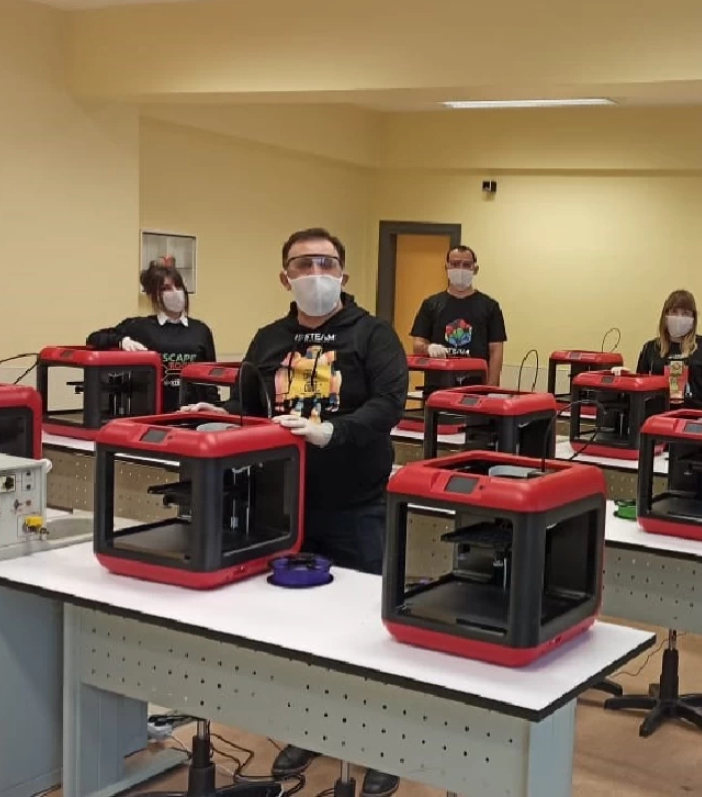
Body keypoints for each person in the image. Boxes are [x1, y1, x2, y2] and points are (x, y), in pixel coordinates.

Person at [181, 227, 408, 797]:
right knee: (301, 628)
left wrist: (333, 431)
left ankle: (381, 743)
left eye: (326, 263)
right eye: (303, 264)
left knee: (366, 627)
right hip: (285, 504)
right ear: (285, 277)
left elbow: (389, 404)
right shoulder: (269, 339)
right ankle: (311, 728)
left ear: (344, 273)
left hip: (355, 503)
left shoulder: (373, 334)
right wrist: (223, 412)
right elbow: (251, 405)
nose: (315, 272)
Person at [86, 258, 216, 412]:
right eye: (166, 288)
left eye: (178, 286)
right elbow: (94, 338)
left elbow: (211, 379)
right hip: (153, 415)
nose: (175, 292)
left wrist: (214, 409)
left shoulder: (201, 330)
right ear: (154, 295)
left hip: (194, 415)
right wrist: (122, 341)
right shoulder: (140, 327)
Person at [409, 245, 507, 385]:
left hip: (476, 387)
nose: (460, 269)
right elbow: (418, 344)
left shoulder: (490, 307)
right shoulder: (431, 304)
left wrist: (491, 389)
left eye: (466, 265)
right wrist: (428, 348)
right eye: (455, 264)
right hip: (438, 387)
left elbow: (496, 351)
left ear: (475, 269)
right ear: (447, 267)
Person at [629, 289, 702, 408]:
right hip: (659, 415)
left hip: (695, 415)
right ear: (665, 315)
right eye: (674, 312)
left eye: (685, 313)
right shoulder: (651, 348)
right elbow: (639, 389)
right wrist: (624, 375)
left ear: (693, 318)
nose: (679, 317)